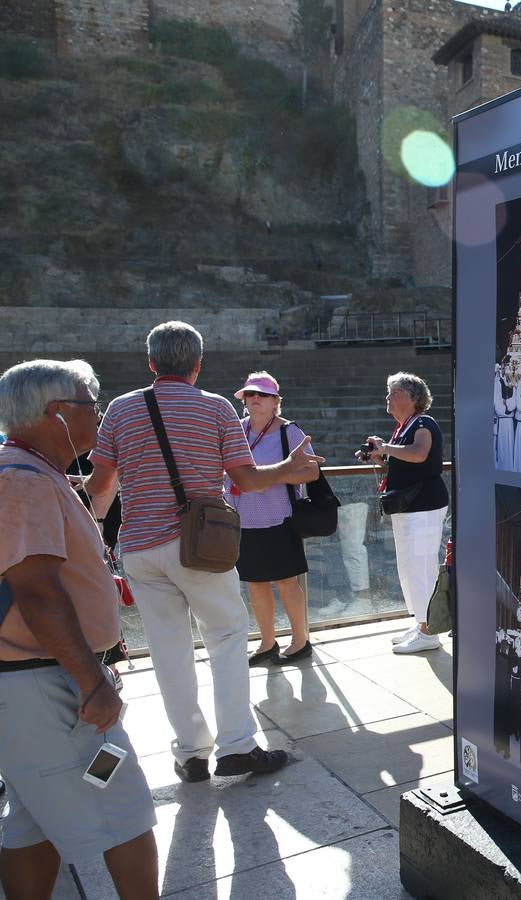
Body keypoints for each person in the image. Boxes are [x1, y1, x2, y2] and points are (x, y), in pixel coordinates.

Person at [86, 322, 320, 783]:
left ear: (151, 363)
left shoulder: (120, 409)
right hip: (201, 546)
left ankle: (190, 753)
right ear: (197, 365)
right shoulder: (214, 409)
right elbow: (247, 480)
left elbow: (100, 489)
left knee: (168, 650)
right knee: (227, 637)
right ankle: (237, 746)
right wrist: (288, 468)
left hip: (138, 546)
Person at [0, 360, 159, 899]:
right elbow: (38, 592)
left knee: (32, 819)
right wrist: (92, 681)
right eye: (91, 403)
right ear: (57, 414)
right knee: (127, 810)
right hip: (50, 688)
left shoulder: (33, 472)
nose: (98, 413)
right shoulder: (22, 480)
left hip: (35, 684)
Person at [224, 373, 312, 665]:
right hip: (242, 520)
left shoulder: (290, 432)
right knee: (255, 583)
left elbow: (312, 472)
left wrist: (270, 477)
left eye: (262, 395)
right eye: (250, 394)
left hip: (279, 519)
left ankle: (300, 642)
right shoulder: (236, 430)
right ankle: (267, 643)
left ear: (276, 401)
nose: (255, 399)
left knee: (287, 582)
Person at [363, 372, 449, 654]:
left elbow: (420, 453)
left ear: (413, 398)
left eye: (394, 392)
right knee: (409, 567)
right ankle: (421, 622)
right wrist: (382, 455)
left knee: (421, 567)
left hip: (423, 507)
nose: (388, 397)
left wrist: (386, 448)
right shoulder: (403, 427)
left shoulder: (423, 423)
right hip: (410, 508)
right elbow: (406, 462)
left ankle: (429, 632)